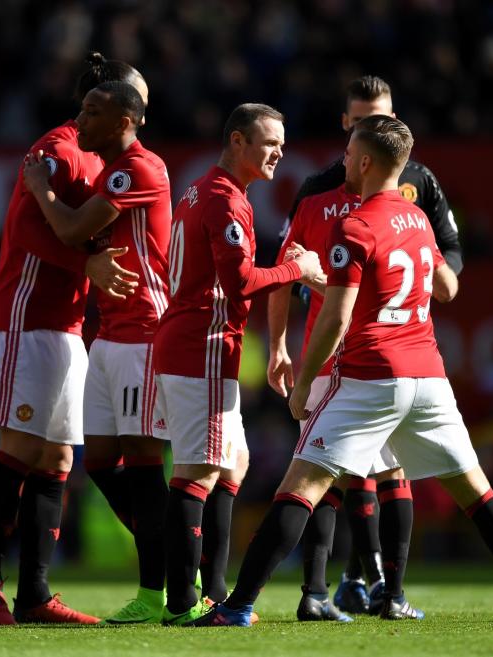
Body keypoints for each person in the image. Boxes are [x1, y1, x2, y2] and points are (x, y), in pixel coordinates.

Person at [197, 115, 493, 626]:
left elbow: (340, 315)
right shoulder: (418, 221)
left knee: (300, 486)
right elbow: (428, 286)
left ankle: (236, 607)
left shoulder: (354, 225)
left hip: (370, 373)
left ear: (366, 162)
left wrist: (304, 381)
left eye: (349, 152)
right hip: (430, 378)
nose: (342, 160)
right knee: (477, 493)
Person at [268, 75, 463, 619]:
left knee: (376, 471)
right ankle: (334, 586)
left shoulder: (419, 185)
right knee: (333, 471)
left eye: (380, 118)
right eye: (359, 122)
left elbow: (449, 256)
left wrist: (440, 279)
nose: (368, 130)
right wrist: (280, 346)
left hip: (389, 352)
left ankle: (366, 581)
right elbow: (288, 273)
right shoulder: (317, 192)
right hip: (334, 350)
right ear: (346, 127)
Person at [0, 53, 144, 626]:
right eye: (134, 97)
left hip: (65, 321)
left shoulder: (97, 157)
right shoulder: (59, 148)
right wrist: (85, 266)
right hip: (27, 314)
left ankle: (35, 594)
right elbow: (24, 229)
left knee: (57, 455)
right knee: (19, 448)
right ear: (105, 101)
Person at [152, 103, 322, 625]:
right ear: (237, 141)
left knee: (233, 464)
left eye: (282, 144)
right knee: (198, 471)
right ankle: (182, 601)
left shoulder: (201, 190)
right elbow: (241, 282)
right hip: (200, 345)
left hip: (200, 344)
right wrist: (297, 267)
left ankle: (213, 591)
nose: (279, 153)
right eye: (269, 142)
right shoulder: (225, 200)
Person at [23, 79, 172, 624]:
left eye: (92, 111)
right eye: (81, 108)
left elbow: (69, 229)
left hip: (145, 333)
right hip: (110, 332)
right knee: (104, 462)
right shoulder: (113, 172)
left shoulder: (139, 168)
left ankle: (162, 590)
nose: (79, 120)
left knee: (141, 463)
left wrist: (41, 187)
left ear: (124, 122)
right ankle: (181, 562)